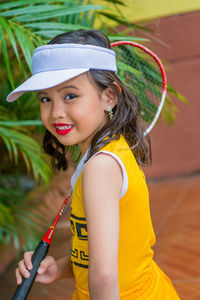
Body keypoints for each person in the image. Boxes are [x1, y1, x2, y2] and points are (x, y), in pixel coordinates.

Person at [7, 29, 180, 300]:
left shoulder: (100, 168)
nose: (56, 113)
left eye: (70, 96)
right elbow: (105, 255)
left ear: (109, 96)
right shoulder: (105, 153)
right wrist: (59, 268)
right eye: (45, 99)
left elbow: (105, 275)